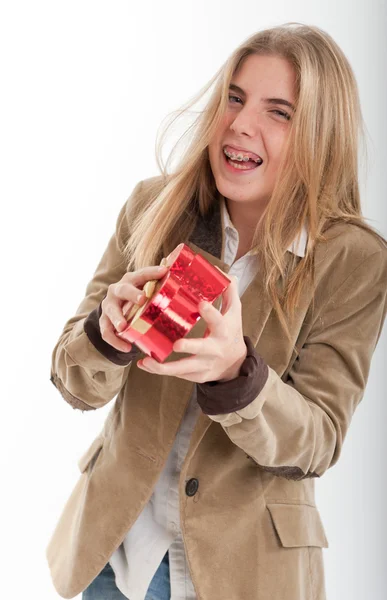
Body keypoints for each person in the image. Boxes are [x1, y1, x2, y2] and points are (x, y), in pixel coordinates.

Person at [46, 22, 387, 600]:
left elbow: (319, 441)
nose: (241, 123)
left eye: (279, 111)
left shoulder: (354, 260)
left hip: (242, 575)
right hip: (116, 554)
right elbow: (73, 381)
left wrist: (240, 378)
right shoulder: (154, 207)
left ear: (320, 136)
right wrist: (106, 334)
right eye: (235, 97)